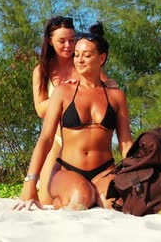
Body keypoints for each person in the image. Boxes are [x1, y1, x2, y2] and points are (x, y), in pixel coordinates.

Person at [15, 22, 133, 211]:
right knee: (80, 198)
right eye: (76, 55)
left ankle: (94, 193)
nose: (79, 60)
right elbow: (44, 138)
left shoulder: (116, 95)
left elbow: (125, 143)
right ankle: (67, 193)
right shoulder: (63, 92)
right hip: (68, 168)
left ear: (101, 58)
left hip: (105, 169)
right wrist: (30, 182)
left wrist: (136, 173)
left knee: (114, 203)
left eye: (86, 55)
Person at [32, 16, 118, 205]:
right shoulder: (42, 71)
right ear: (50, 41)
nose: (68, 46)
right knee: (47, 200)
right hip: (58, 140)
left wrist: (108, 85)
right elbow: (40, 109)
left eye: (72, 40)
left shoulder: (83, 61)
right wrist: (65, 94)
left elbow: (105, 91)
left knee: (106, 200)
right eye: (62, 41)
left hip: (94, 147)